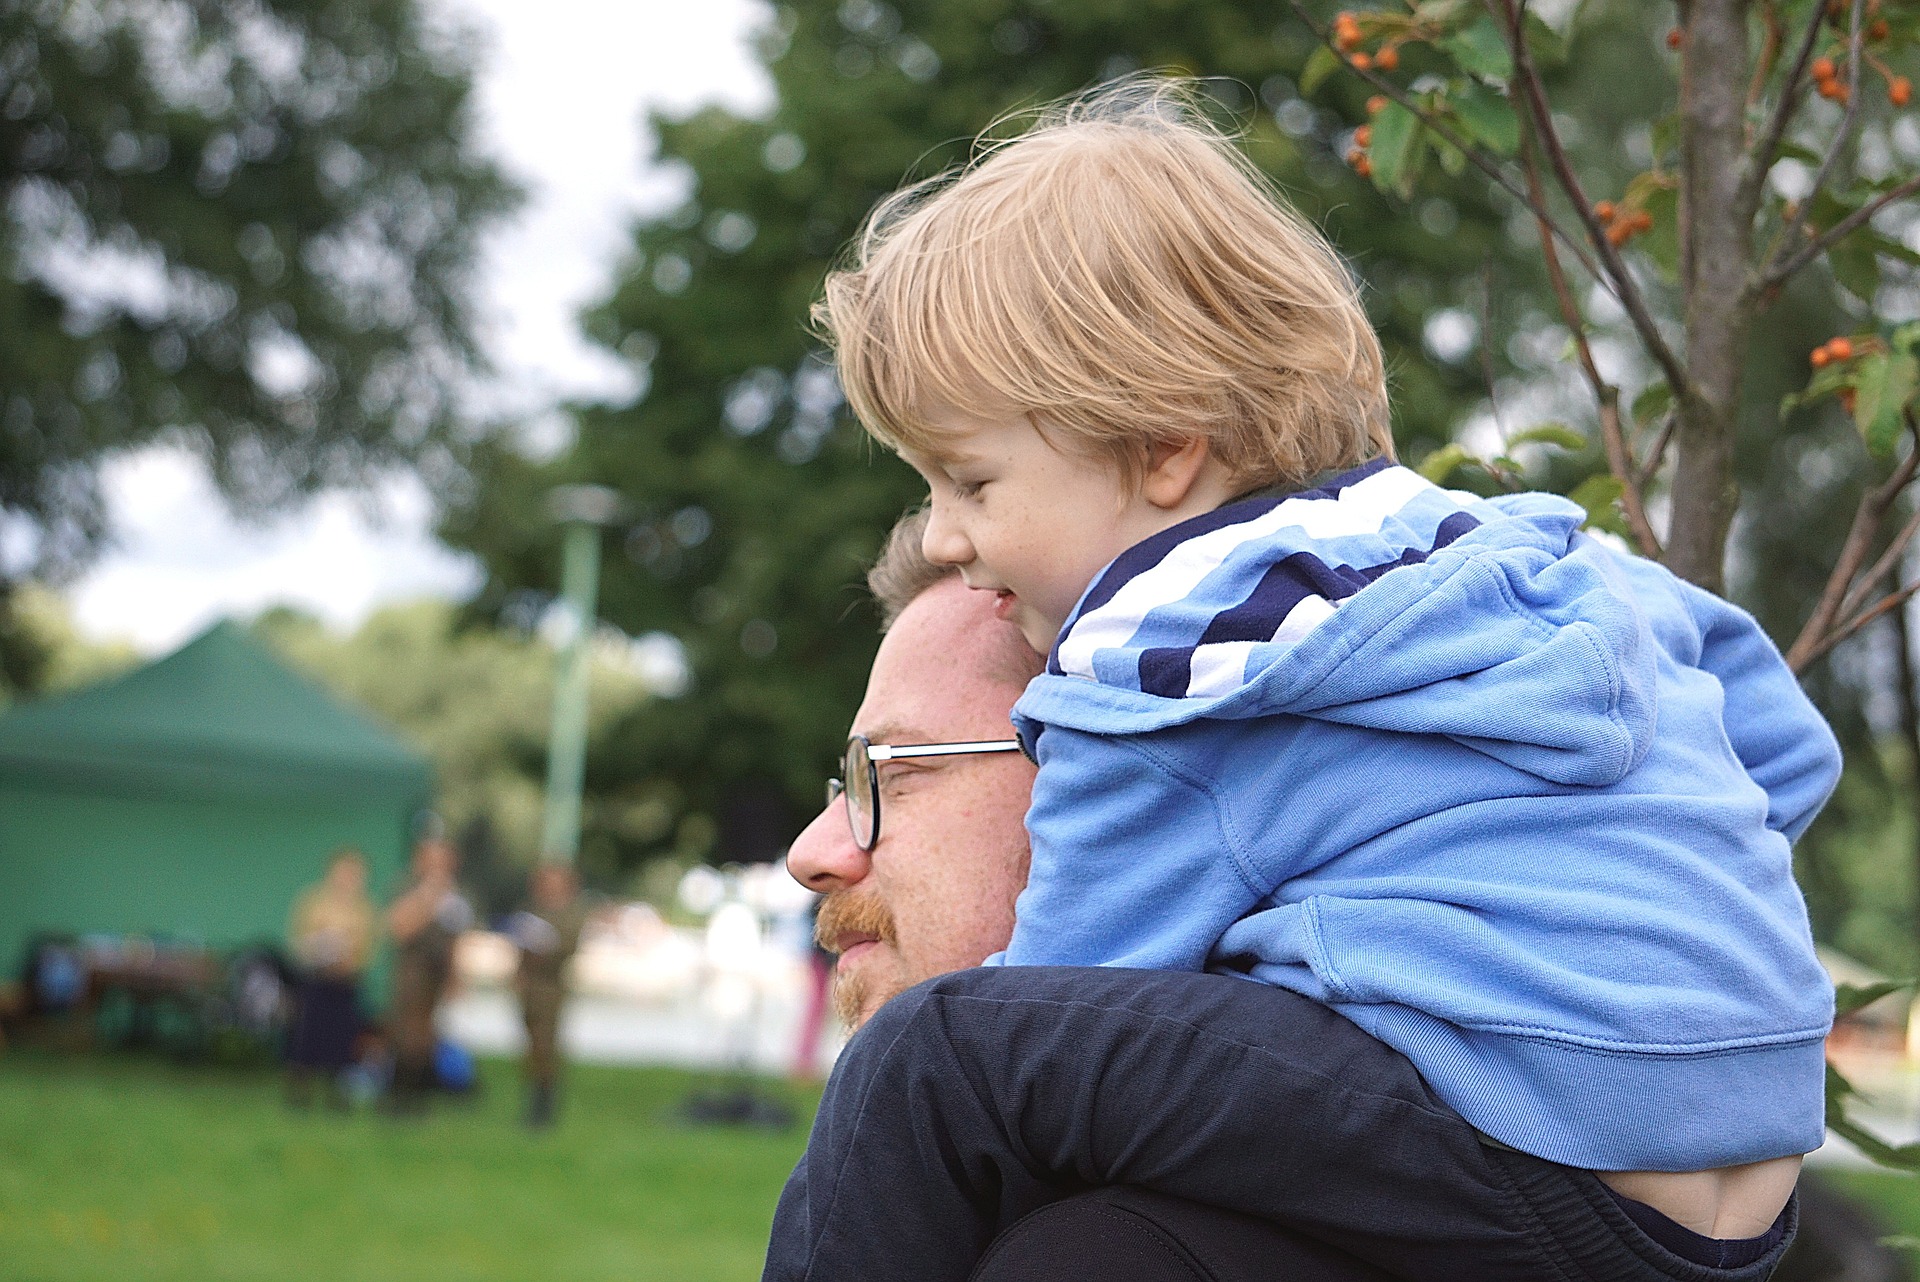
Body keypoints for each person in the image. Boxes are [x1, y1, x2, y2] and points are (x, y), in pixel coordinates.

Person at [770, 78, 1838, 1280]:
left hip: (1526, 1130)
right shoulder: (1525, 551)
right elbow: (1786, 744)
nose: (950, 535)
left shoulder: (1164, 675)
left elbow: (1064, 1003)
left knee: (941, 1057)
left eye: (968, 481)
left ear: (1165, 447)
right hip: (1747, 1158)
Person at [383, 835, 472, 1115]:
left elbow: (456, 937)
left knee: (426, 1035)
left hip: (438, 972)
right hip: (412, 973)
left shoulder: (457, 894)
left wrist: (455, 976)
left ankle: (419, 1095)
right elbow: (398, 929)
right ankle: (399, 1097)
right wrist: (428, 898)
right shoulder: (407, 887)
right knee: (406, 1034)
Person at [284, 848, 376, 1108]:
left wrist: (350, 960)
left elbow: (367, 948)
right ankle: (299, 1091)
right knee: (307, 1037)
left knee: (343, 1040)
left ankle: (338, 1094)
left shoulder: (364, 909)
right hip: (316, 980)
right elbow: (299, 941)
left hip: (346, 983)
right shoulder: (313, 902)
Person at [507, 860, 586, 1129]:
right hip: (529, 989)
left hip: (550, 990)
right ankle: (534, 1098)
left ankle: (544, 1104)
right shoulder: (531, 909)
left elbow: (564, 947)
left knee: (546, 1045)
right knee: (530, 1045)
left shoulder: (571, 913)